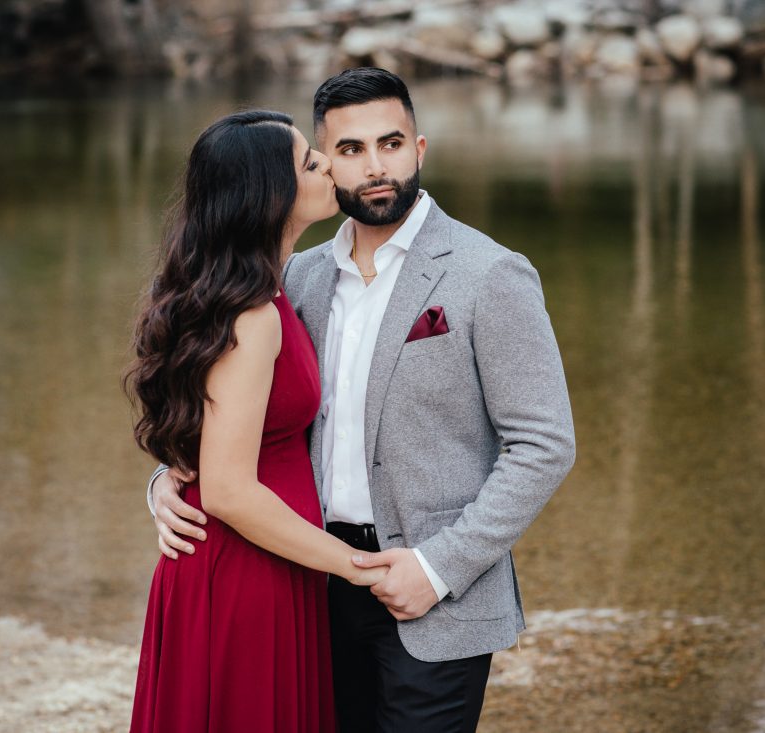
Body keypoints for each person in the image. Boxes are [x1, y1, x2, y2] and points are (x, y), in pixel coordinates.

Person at [149, 68, 576, 732]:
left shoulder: (489, 273)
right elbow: (236, 414)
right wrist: (169, 483)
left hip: (433, 594)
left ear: (420, 148)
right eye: (349, 150)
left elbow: (543, 445)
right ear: (320, 164)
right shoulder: (296, 276)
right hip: (307, 586)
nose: (376, 167)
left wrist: (438, 567)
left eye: (391, 143)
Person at [123, 109, 387, 733]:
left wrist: (164, 477)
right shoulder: (252, 316)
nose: (327, 164)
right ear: (270, 194)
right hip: (248, 570)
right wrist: (357, 566)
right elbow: (230, 490)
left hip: (267, 558)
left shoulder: (259, 293)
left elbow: (207, 439)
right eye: (309, 161)